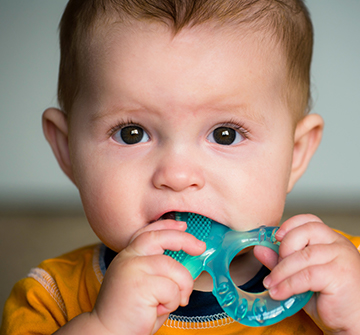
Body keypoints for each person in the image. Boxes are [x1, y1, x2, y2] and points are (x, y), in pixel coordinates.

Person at [1, 0, 360, 334]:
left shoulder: (341, 275)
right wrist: (104, 326)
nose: (177, 175)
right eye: (131, 133)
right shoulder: (51, 298)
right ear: (67, 150)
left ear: (295, 153)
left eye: (225, 134)